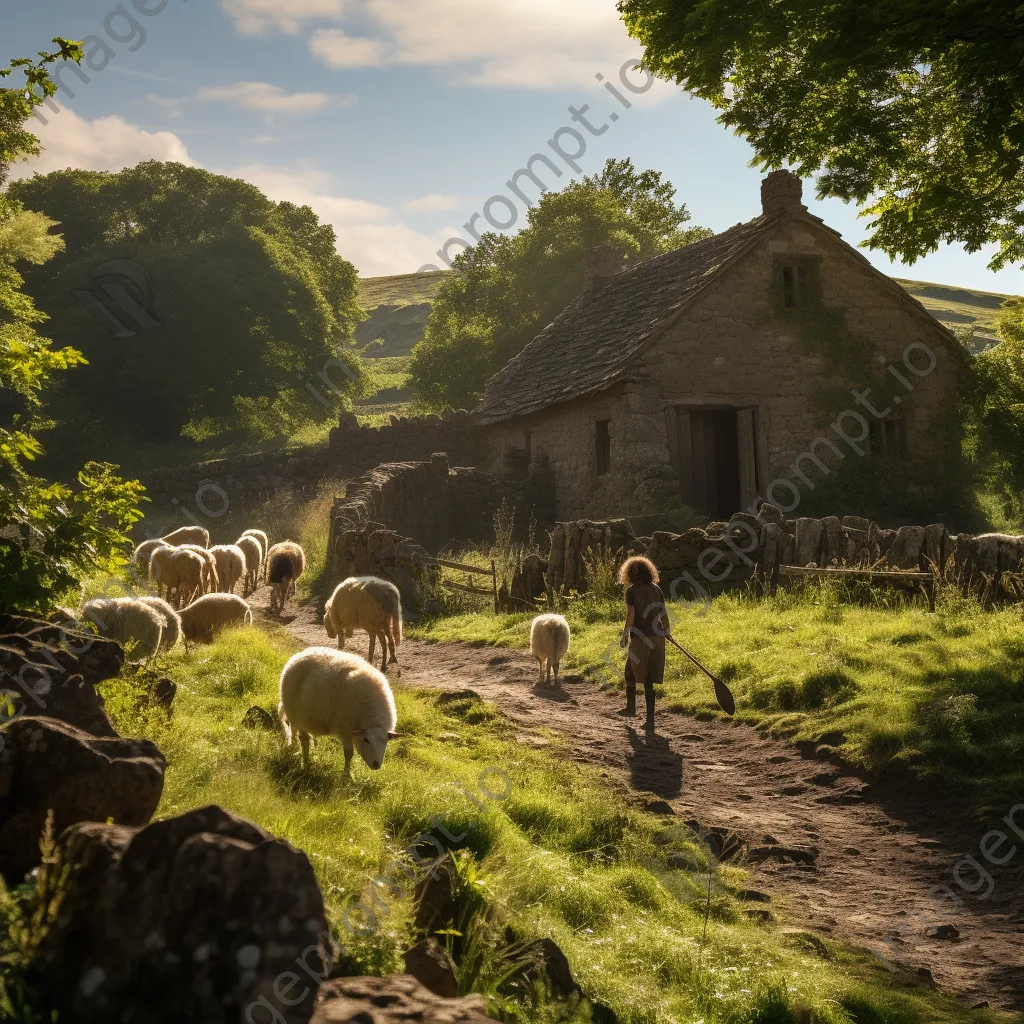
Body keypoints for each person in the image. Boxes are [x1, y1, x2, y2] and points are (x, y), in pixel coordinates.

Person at [617, 555, 670, 732]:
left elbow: (630, 616)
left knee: (630, 672)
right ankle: (649, 720)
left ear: (630, 573)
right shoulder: (656, 589)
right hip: (658, 637)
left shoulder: (631, 591)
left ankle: (633, 710)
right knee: (649, 679)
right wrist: (667, 630)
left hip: (641, 638)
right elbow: (663, 612)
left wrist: (625, 635)